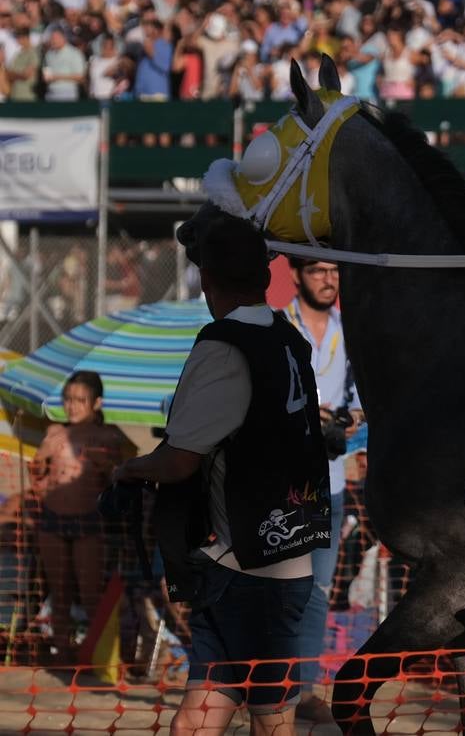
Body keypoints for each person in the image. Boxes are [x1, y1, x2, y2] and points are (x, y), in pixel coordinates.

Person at [113, 215, 329, 736]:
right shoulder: (289, 338)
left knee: (271, 724)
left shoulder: (225, 345)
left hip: (254, 579)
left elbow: (179, 459)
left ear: (206, 280)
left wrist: (127, 470)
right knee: (196, 722)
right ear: (265, 278)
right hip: (260, 564)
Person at [280, 258, 364, 722]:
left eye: (335, 270)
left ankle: (305, 690)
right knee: (275, 591)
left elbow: (365, 404)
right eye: (317, 270)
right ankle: (263, 687)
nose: (329, 279)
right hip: (280, 486)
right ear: (295, 275)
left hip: (329, 484)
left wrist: (348, 420)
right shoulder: (277, 327)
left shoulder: (351, 331)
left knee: (317, 592)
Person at [30, 372, 134, 665]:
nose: (72, 406)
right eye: (67, 399)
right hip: (52, 520)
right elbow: (36, 476)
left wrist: (108, 466)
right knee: (58, 592)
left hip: (89, 522)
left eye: (79, 400)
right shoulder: (54, 433)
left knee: (90, 594)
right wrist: (40, 459)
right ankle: (63, 654)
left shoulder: (109, 436)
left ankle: (99, 658)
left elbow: (123, 479)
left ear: (97, 403)